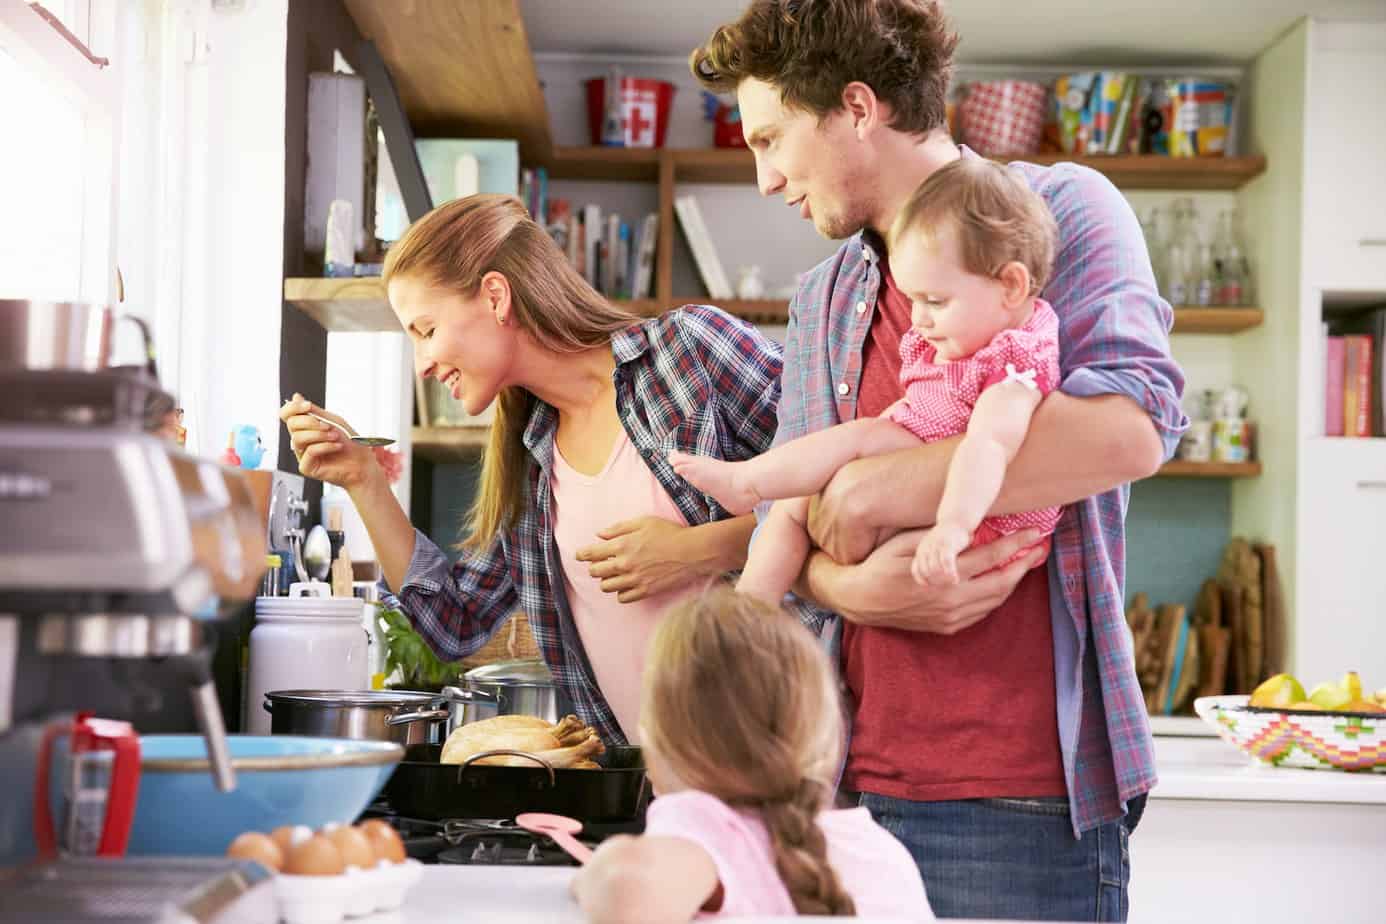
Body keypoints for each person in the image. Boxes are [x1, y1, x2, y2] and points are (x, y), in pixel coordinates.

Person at [691, 1, 1187, 920]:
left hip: (1021, 801)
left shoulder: (1056, 213)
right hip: (839, 792)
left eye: (771, 140)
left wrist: (875, 488)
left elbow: (1131, 430)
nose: (764, 180)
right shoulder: (826, 293)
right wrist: (851, 589)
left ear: (855, 107)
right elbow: (789, 524)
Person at [280, 194, 785, 746]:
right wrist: (363, 480)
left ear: (495, 296)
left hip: (781, 766)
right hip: (654, 788)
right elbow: (456, 622)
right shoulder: (529, 460)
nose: (422, 364)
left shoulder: (690, 353)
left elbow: (836, 498)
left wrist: (694, 551)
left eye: (426, 330)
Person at [672, 159, 1062, 601]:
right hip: (925, 494)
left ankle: (750, 486)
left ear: (1011, 286)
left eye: (935, 301)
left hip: (977, 522)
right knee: (793, 503)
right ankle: (750, 604)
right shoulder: (962, 336)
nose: (920, 319)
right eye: (913, 299)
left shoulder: (1017, 361)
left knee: (863, 439)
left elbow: (988, 448)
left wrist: (954, 526)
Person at [571, 585, 932, 922]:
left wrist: (585, 879)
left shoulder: (704, 825)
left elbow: (624, 886)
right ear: (820, 731)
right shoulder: (878, 850)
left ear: (661, 740)